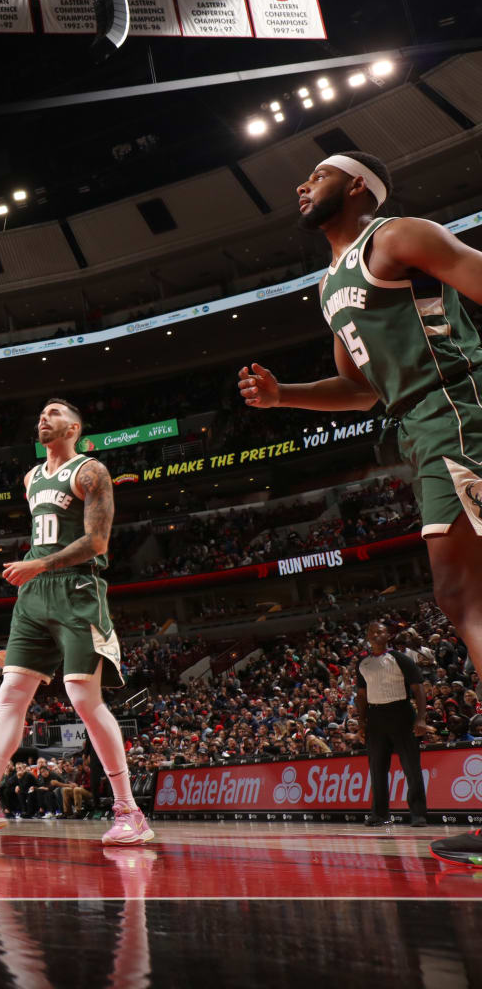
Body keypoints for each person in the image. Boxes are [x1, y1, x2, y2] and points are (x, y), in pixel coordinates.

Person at [235, 152, 482, 864]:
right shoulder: (328, 286)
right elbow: (361, 391)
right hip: (418, 422)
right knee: (464, 594)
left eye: (317, 174)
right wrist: (287, 398)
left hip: (456, 409)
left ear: (357, 187)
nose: (300, 184)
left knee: (464, 594)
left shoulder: (397, 236)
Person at [0, 399, 155, 846]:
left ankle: (129, 810)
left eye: (54, 413)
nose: (43, 417)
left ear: (74, 427)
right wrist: (35, 571)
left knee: (82, 696)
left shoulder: (90, 471)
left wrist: (40, 565)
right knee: (11, 692)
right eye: (40, 413)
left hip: (77, 590)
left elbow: (96, 541)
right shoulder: (32, 478)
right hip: (34, 596)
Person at [355, 620, 431, 827]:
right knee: (377, 768)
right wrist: (361, 723)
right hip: (375, 717)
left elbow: (418, 689)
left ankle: (418, 814)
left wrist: (421, 718)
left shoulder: (401, 659)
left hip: (401, 713)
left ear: (388, 635)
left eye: (378, 631)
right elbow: (361, 696)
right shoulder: (362, 663)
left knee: (411, 767)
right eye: (370, 631)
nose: (374, 635)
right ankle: (379, 814)